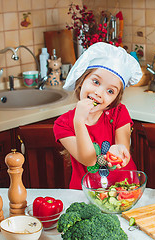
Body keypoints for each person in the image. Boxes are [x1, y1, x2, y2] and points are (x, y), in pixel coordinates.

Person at [53, 42, 142, 189]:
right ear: (82, 81)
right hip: (85, 192)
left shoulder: (119, 113)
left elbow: (122, 147)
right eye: (95, 82)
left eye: (110, 91)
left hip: (124, 189)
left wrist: (118, 150)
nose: (99, 93)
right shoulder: (63, 124)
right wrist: (79, 121)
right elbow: (89, 160)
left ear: (115, 99)